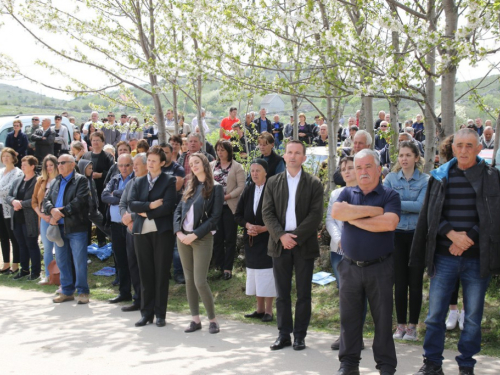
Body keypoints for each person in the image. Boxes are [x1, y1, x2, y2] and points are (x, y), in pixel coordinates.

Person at [410, 129, 500, 375]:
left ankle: (467, 364)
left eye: (469, 146)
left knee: (472, 318)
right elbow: (430, 213)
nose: (463, 150)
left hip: (477, 258)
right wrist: (451, 234)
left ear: (479, 148)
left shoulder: (493, 177)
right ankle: (432, 363)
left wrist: (467, 237)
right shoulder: (439, 177)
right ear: (453, 147)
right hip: (443, 256)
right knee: (435, 315)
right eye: (459, 145)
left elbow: (494, 215)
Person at [332, 149, 401, 375]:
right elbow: (337, 212)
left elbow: (389, 223)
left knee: (382, 320)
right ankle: (349, 364)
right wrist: (372, 213)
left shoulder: (390, 195)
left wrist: (353, 217)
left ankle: (386, 366)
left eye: (367, 167)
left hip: (380, 268)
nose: (362, 172)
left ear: (379, 169)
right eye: (358, 167)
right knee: (349, 320)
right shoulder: (346, 193)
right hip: (350, 268)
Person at [262, 141, 324, 351]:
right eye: (289, 152)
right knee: (282, 293)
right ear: (284, 156)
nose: (293, 156)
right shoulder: (273, 182)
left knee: (304, 293)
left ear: (304, 158)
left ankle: (300, 336)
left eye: (298, 153)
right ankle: (284, 334)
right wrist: (281, 236)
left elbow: (315, 215)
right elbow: (267, 213)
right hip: (280, 244)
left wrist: (294, 237)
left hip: (303, 244)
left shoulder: (314, 183)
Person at [383, 141, 429, 341]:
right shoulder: (391, 178)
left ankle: (413, 326)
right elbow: (385, 202)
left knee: (415, 282)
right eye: (401, 155)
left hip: (418, 236)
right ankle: (400, 324)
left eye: (408, 155)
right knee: (400, 283)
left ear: (416, 158)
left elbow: (421, 206)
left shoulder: (426, 180)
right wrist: (399, 205)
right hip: (397, 235)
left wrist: (397, 204)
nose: (404, 159)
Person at [174, 153, 223, 334]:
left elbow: (215, 218)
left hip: (201, 239)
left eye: (197, 163)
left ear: (204, 164)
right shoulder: (190, 185)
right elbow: (178, 210)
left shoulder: (216, 188)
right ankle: (195, 319)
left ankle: (213, 320)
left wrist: (194, 235)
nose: (193, 166)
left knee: (200, 281)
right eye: (191, 163)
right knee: (189, 280)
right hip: (183, 238)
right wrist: (179, 232)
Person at [128, 146, 177, 327]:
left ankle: (160, 314)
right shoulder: (138, 181)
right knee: (145, 273)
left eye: (154, 161)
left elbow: (168, 206)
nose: (150, 163)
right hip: (142, 232)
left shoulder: (169, 180)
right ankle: (146, 313)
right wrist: (150, 206)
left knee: (161, 273)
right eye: (149, 160)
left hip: (161, 233)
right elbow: (133, 204)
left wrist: (146, 212)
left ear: (162, 163)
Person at [44, 154, 90, 304]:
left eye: (63, 162)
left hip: (76, 227)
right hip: (59, 228)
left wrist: (60, 212)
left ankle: (83, 292)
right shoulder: (56, 181)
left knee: (79, 261)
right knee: (62, 260)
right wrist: (52, 210)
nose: (60, 165)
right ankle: (67, 291)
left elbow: (80, 201)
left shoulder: (81, 180)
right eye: (58, 163)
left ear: (72, 164)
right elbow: (46, 200)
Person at [235, 159, 275, 322]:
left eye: (258, 170)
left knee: (267, 274)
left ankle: (269, 311)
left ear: (265, 172)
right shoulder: (248, 190)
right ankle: (259, 309)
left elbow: (279, 216)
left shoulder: (272, 190)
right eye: (252, 171)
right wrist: (248, 225)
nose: (255, 174)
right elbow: (237, 215)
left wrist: (263, 228)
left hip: (267, 239)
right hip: (251, 239)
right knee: (255, 274)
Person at [210, 140, 245, 280]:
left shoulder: (237, 167)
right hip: (215, 208)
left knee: (230, 239)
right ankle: (218, 266)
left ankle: (228, 269)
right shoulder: (211, 165)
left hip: (230, 206)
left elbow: (241, 187)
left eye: (222, 150)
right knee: (217, 238)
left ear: (229, 151)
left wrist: (227, 197)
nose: (220, 152)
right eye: (218, 150)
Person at [102, 154, 135, 304]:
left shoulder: (136, 179)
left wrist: (114, 196)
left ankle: (138, 293)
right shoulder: (114, 179)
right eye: (121, 165)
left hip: (130, 226)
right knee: (120, 260)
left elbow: (130, 197)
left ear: (132, 165)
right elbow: (104, 196)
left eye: (127, 165)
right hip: (115, 226)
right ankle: (124, 292)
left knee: (133, 260)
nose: (123, 168)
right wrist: (119, 198)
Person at [119, 153, 148, 312]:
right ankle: (137, 298)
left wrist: (133, 218)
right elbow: (123, 203)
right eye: (133, 164)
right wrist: (126, 218)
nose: (134, 167)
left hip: (145, 230)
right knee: (133, 265)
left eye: (136, 164)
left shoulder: (150, 183)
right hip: (130, 231)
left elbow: (150, 207)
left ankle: (148, 300)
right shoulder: (131, 183)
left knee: (145, 267)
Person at [6, 155, 40, 281]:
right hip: (17, 218)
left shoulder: (38, 181)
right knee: (21, 244)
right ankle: (24, 269)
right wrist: (14, 201)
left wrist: (21, 204)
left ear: (32, 166)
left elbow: (37, 199)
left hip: (30, 218)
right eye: (22, 164)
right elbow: (9, 196)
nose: (22, 166)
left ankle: (35, 271)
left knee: (31, 244)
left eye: (25, 164)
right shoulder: (18, 180)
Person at [82, 131, 114, 247]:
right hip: (87, 190)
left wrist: (100, 175)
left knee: (100, 213)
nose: (95, 142)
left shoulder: (107, 156)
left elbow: (112, 173)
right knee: (87, 213)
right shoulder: (86, 155)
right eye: (93, 140)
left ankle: (102, 240)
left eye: (98, 140)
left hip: (102, 188)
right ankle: (87, 241)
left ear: (102, 142)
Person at [160, 142, 186, 284]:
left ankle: (178, 273)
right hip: (159, 211)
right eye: (161, 152)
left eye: (167, 152)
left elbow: (177, 186)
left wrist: (160, 188)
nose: (164, 155)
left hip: (175, 210)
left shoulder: (177, 168)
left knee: (176, 244)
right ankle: (164, 272)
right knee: (162, 243)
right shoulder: (155, 168)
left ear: (172, 153)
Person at [32, 155, 59, 284]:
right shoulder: (41, 181)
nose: (48, 168)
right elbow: (34, 202)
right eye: (46, 165)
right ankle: (48, 276)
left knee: (59, 248)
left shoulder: (61, 180)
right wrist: (41, 215)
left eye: (51, 165)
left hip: (58, 218)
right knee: (47, 248)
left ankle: (60, 276)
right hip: (43, 218)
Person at [0, 148, 23, 274]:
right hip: (0, 206)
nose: (5, 159)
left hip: (10, 208)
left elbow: (8, 190)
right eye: (3, 156)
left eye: (8, 156)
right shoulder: (1, 171)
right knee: (3, 236)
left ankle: (16, 264)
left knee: (13, 236)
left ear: (13, 158)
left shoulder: (17, 172)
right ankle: (6, 263)